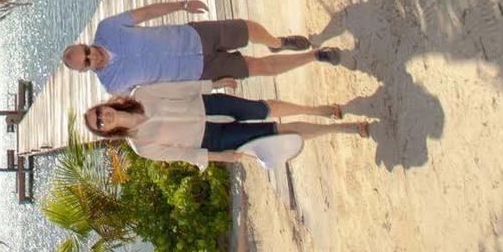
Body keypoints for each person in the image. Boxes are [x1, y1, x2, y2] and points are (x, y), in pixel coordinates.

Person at [61, 0, 343, 90]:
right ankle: (316, 56)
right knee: (255, 67)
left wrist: (182, 4)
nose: (91, 57)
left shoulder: (107, 28)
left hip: (193, 35)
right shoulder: (113, 86)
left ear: (84, 44)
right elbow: (162, 95)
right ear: (84, 71)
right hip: (198, 70)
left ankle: (277, 42)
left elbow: (145, 13)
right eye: (85, 63)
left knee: (247, 29)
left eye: (85, 52)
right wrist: (213, 86)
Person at [83, 84, 371, 168]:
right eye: (98, 123)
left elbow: (181, 88)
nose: (102, 117)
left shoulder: (141, 94)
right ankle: (343, 129)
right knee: (277, 131)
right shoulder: (141, 147)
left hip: (209, 105)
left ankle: (319, 110)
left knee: (263, 108)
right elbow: (184, 154)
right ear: (105, 132)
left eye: (98, 112)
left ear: (103, 105)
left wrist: (215, 83)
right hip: (213, 138)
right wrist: (225, 157)